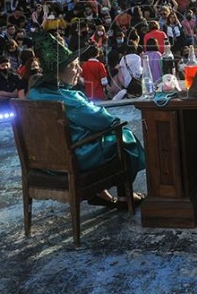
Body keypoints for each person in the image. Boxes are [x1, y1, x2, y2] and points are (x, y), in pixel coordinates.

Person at [28, 32, 145, 208]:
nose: (80, 70)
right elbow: (103, 121)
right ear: (58, 73)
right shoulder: (69, 99)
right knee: (123, 135)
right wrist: (114, 123)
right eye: (75, 66)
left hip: (41, 162)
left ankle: (100, 192)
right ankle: (124, 196)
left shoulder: (33, 94)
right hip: (73, 158)